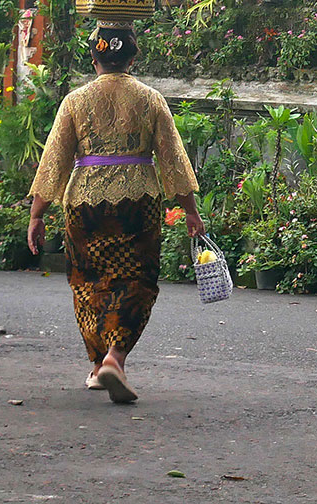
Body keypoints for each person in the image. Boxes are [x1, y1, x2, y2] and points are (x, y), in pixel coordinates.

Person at [27, 24, 204, 404]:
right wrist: (189, 210)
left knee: (87, 280)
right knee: (135, 279)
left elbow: (54, 160)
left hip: (83, 203)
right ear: (133, 58)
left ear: (94, 59)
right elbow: (172, 158)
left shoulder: (74, 101)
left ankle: (97, 366)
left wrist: (37, 214)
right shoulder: (151, 99)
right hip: (136, 201)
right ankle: (114, 358)